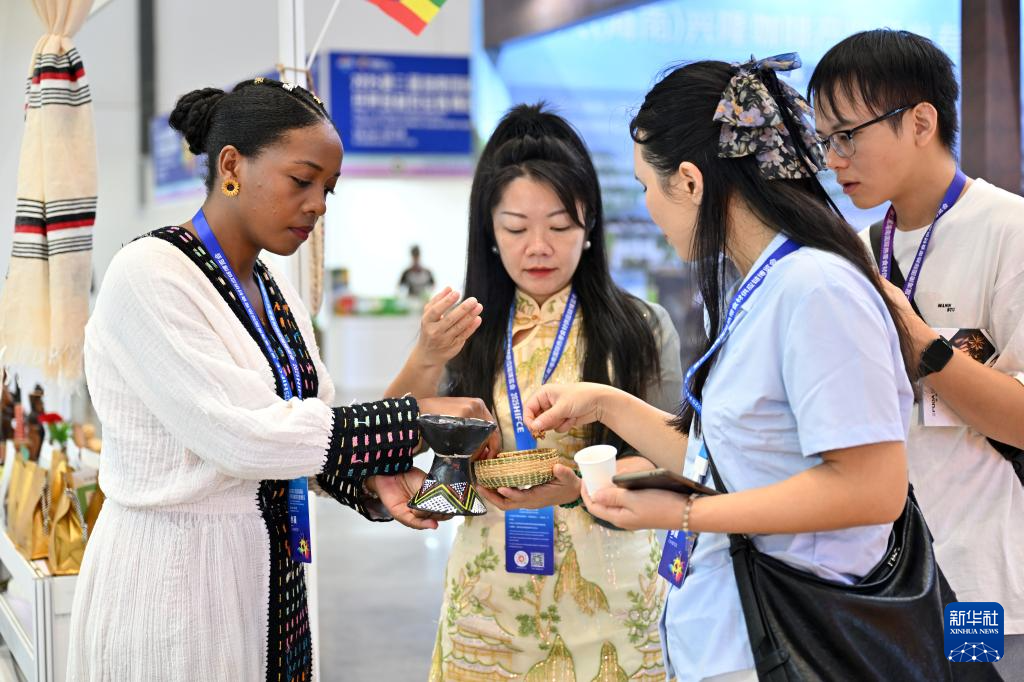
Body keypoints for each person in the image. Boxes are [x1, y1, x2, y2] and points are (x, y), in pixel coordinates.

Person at [67, 78, 495, 682]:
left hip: (270, 580)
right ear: (232, 166)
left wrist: (368, 483)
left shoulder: (277, 291)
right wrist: (415, 421)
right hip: (175, 586)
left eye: (328, 189)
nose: (318, 204)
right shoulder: (148, 276)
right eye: (302, 180)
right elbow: (244, 437)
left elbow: (304, 432)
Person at [523, 57, 920, 682]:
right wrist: (605, 403)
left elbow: (871, 489)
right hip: (742, 634)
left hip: (799, 634)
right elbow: (729, 457)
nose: (648, 208)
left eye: (646, 187)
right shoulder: (754, 287)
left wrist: (683, 514)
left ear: (689, 181)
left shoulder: (815, 289)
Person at [386, 104, 683, 681]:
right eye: (517, 228)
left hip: (615, 600)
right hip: (490, 605)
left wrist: (582, 488)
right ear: (490, 233)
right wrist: (425, 356)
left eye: (560, 226)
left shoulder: (642, 327)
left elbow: (672, 460)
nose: (539, 247)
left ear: (590, 225)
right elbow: (390, 438)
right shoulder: (466, 328)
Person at [809, 29, 1024, 674]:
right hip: (880, 583)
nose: (835, 159)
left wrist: (920, 342)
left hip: (981, 577)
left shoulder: (1008, 230)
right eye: (824, 142)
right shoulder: (856, 248)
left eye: (848, 136)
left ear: (922, 122)